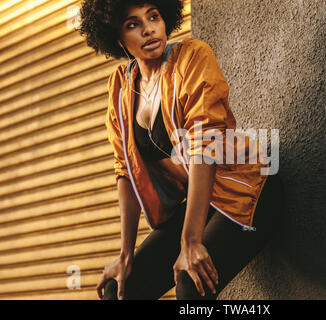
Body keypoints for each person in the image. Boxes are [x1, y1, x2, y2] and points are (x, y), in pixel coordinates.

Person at [79, 0, 285, 300]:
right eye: (132, 24)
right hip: (203, 202)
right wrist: (125, 254)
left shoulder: (192, 57)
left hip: (250, 191)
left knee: (191, 281)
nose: (148, 29)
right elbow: (125, 169)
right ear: (117, 37)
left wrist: (190, 242)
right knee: (118, 291)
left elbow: (205, 146)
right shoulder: (121, 86)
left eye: (153, 16)